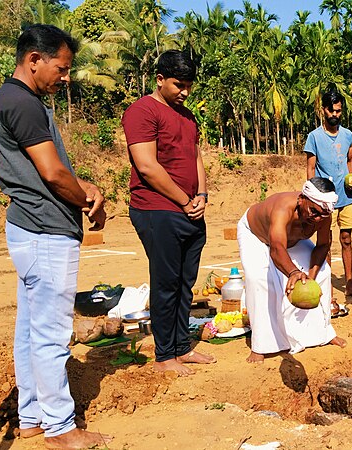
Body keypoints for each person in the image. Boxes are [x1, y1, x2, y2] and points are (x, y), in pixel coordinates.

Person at [0, 24, 111, 449]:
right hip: (44, 230)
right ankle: (60, 428)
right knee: (51, 333)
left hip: (31, 227)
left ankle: (32, 417)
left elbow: (55, 172)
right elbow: (54, 173)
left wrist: (85, 187)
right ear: (34, 60)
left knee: (30, 330)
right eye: (61, 68)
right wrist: (88, 200)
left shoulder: (15, 99)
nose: (66, 77)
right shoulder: (22, 103)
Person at [122, 50, 214, 376]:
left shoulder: (188, 116)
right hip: (157, 209)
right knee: (166, 283)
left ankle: (181, 348)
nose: (185, 92)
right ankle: (164, 356)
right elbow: (147, 166)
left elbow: (197, 157)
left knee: (186, 283)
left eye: (189, 85)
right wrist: (183, 199)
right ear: (159, 79)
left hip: (190, 210)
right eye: (178, 85)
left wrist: (201, 194)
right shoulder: (141, 111)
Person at [238, 177, 348, 363]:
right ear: (302, 198)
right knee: (260, 280)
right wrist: (294, 272)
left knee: (323, 272)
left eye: (323, 214)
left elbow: (322, 246)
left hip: (292, 241)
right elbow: (276, 248)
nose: (317, 218)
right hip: (256, 236)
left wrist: (310, 278)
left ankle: (322, 334)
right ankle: (261, 346)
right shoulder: (283, 208)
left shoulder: (322, 215)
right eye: (313, 211)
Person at [304, 91, 352, 298]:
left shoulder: (347, 135)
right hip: (324, 198)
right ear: (323, 110)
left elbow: (350, 160)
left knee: (346, 239)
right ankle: (326, 283)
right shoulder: (314, 137)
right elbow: (311, 169)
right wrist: (313, 193)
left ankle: (349, 283)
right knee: (325, 241)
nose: (335, 114)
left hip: (345, 196)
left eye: (338, 110)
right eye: (331, 110)